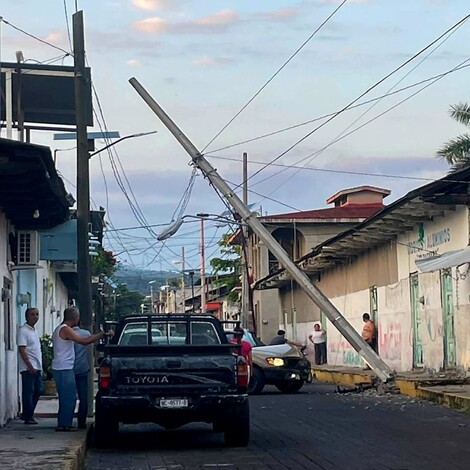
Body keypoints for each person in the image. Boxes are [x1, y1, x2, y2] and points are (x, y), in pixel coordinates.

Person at [52, 307, 104, 432]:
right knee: (69, 398)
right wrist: (101, 334)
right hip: (64, 368)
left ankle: (64, 423)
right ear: (75, 318)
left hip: (63, 367)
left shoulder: (59, 328)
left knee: (67, 397)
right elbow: (84, 341)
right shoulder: (65, 329)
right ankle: (64, 424)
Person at [17, 307, 42, 425]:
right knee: (29, 391)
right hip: (28, 367)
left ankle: (27, 414)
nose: (35, 316)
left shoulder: (34, 331)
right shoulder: (23, 330)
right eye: (32, 314)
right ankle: (28, 416)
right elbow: (22, 349)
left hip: (37, 366)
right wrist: (29, 365)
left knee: (38, 390)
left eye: (37, 314)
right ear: (27, 316)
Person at [73, 324, 91, 429]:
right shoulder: (86, 334)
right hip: (83, 368)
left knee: (70, 398)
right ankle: (81, 422)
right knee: (83, 398)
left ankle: (67, 420)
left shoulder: (66, 333)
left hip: (69, 369)